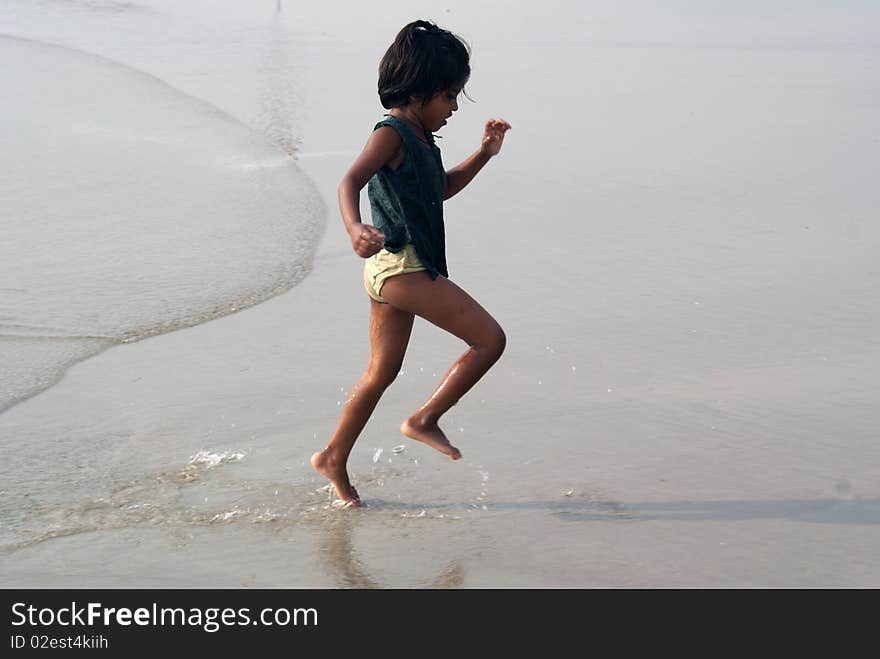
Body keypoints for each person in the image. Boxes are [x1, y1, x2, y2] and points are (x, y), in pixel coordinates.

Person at [311, 19, 512, 507]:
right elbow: (349, 181)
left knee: (381, 372)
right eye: (449, 96)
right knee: (490, 340)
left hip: (392, 271)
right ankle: (424, 419)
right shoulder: (393, 133)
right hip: (401, 265)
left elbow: (440, 189)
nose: (455, 107)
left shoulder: (422, 142)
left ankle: (333, 457)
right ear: (420, 93)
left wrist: (484, 154)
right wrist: (354, 228)